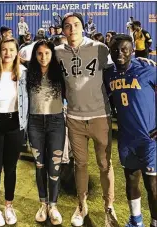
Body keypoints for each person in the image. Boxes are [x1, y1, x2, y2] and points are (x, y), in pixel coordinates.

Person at [55, 12, 118, 227]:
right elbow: (32, 58)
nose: (72, 29)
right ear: (62, 30)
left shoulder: (99, 48)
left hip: (100, 116)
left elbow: (118, 67)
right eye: (67, 26)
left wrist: (141, 62)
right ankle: (81, 205)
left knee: (104, 164)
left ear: (84, 27)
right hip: (74, 118)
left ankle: (109, 206)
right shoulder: (57, 52)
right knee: (80, 164)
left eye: (76, 25)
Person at [103, 34, 157, 227]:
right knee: (131, 180)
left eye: (124, 49)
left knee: (152, 185)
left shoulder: (147, 69)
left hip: (149, 138)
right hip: (126, 138)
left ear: (132, 50)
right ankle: (136, 220)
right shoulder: (108, 73)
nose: (120, 53)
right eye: (115, 50)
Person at [0, 37, 28, 227]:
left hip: (15, 124)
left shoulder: (24, 74)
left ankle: (8, 205)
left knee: (11, 168)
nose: (7, 53)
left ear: (17, 52)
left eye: (11, 49)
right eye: (4, 49)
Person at [27, 39, 65, 225]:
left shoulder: (60, 72)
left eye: (47, 53)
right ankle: (43, 203)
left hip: (56, 122)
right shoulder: (28, 73)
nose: (43, 57)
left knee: (55, 166)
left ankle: (53, 205)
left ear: (53, 54)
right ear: (35, 55)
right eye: (40, 53)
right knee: (40, 165)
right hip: (34, 123)